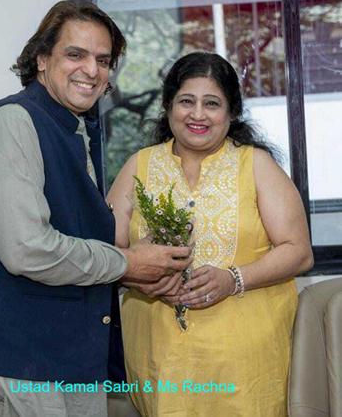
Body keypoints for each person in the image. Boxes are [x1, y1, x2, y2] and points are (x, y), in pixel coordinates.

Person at [0, 1, 192, 417]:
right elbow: (27, 249)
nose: (92, 70)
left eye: (103, 60)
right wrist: (127, 263)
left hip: (62, 361)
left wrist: (137, 274)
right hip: (10, 365)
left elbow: (75, 245)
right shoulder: (14, 121)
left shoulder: (75, 128)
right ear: (42, 59)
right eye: (75, 54)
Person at [107, 52, 314, 416]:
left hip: (247, 365)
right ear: (168, 107)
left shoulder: (256, 165)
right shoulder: (140, 165)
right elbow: (108, 250)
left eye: (212, 104)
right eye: (186, 101)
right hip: (161, 360)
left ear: (232, 112)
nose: (198, 114)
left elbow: (298, 251)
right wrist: (141, 277)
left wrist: (233, 279)